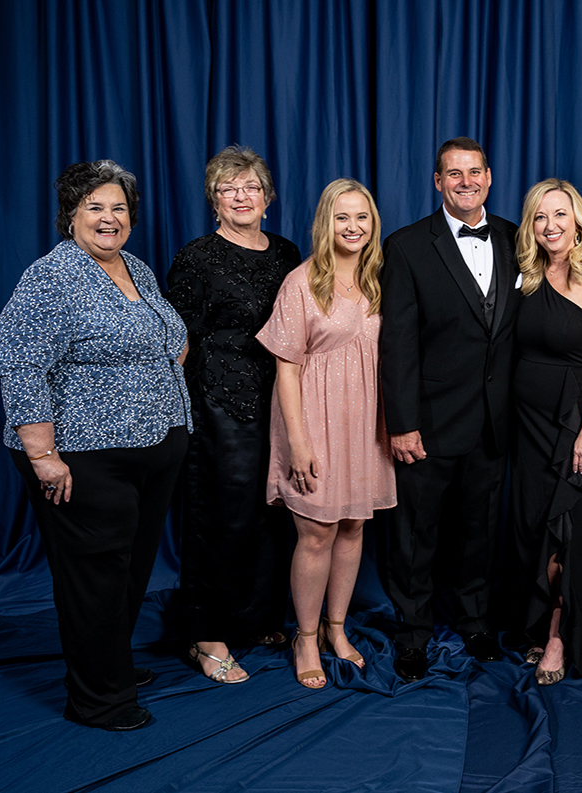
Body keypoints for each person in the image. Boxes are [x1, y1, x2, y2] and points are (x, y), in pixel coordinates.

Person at [0, 160, 191, 731]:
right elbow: (19, 365)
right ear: (71, 216)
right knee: (95, 578)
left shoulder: (136, 267)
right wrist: (43, 456)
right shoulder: (51, 277)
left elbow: (166, 339)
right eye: (95, 207)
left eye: (119, 208)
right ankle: (98, 698)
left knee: (129, 570)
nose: (109, 218)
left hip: (151, 446)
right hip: (80, 454)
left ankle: (112, 664)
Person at [380, 137, 521, 682]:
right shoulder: (408, 245)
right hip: (429, 422)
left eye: (475, 172)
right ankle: (412, 633)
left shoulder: (515, 236)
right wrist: (402, 422)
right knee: (415, 534)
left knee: (479, 530)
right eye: (453, 174)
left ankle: (475, 620)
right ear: (437, 182)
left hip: (494, 420)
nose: (466, 182)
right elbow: (397, 343)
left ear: (489, 176)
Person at [166, 145, 300, 684]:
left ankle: (257, 616)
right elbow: (178, 340)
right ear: (214, 201)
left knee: (273, 513)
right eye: (229, 189)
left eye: (250, 188)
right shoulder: (197, 257)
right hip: (222, 400)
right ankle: (207, 634)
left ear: (268, 198)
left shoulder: (287, 252)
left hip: (283, 400)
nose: (241, 197)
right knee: (220, 517)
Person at [257, 179, 396, 689]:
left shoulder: (380, 279)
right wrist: (298, 442)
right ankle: (307, 637)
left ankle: (338, 629)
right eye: (342, 217)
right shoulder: (301, 281)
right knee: (316, 533)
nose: (353, 227)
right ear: (325, 224)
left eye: (362, 217)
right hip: (313, 422)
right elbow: (286, 369)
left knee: (355, 526)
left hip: (365, 423)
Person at [512, 179, 582, 684]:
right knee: (534, 528)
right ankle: (537, 622)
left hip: (571, 424)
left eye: (560, 215)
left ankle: (560, 635)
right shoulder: (528, 275)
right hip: (528, 427)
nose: (550, 226)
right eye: (540, 217)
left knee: (567, 532)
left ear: (578, 219)